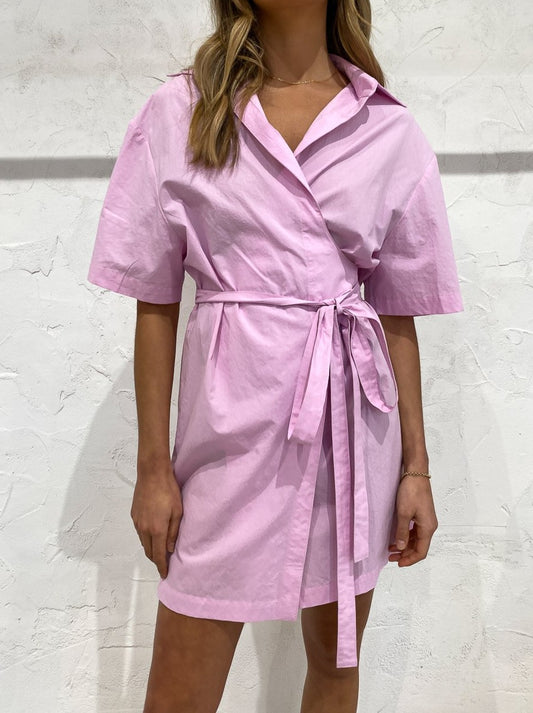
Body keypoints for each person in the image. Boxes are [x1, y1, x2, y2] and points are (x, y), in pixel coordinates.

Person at [87, 1, 464, 711]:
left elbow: (397, 311)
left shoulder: (386, 127)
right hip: (227, 431)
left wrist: (415, 468)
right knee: (177, 696)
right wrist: (153, 469)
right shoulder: (184, 110)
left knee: (334, 666)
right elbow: (154, 299)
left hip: (351, 432)